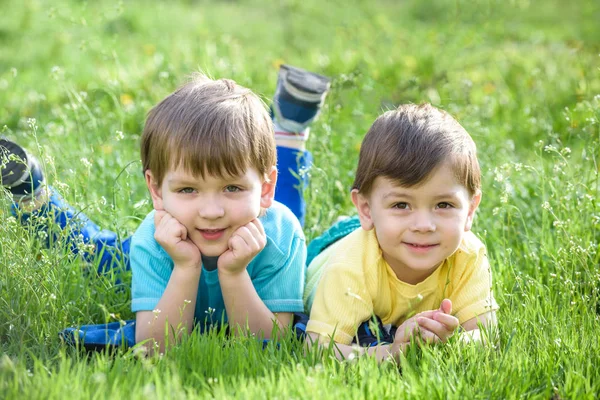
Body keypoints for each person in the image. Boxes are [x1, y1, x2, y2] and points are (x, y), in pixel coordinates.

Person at [0, 65, 330, 351]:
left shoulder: (281, 235)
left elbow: (269, 345)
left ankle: (287, 129)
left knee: (280, 208)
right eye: (188, 189)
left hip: (263, 220)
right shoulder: (155, 236)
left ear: (264, 188)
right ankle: (33, 196)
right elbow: (154, 349)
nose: (211, 211)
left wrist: (234, 273)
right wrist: (185, 268)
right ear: (157, 190)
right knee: (99, 255)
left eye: (232, 187)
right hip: (176, 241)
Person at [302, 103, 499, 362]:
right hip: (334, 251)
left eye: (443, 205)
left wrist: (446, 344)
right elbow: (316, 350)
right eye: (401, 204)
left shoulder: (468, 255)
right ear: (365, 208)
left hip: (384, 231)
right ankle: (289, 135)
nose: (424, 225)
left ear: (470, 209)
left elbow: (487, 335)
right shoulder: (349, 266)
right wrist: (392, 353)